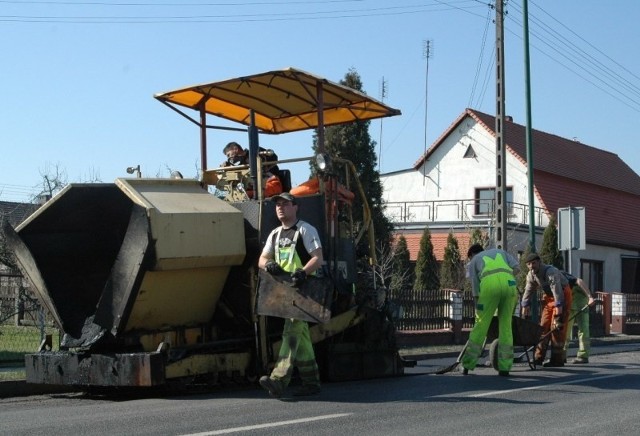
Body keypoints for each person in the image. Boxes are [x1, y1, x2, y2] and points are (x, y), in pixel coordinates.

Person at [257, 192, 323, 397]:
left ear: (296, 207)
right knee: (300, 335)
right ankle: (311, 382)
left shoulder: (305, 229)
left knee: (291, 330)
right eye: (278, 204)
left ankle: (279, 379)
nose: (280, 208)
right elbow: (261, 259)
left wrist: (303, 272)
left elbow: (318, 258)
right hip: (284, 292)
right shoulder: (275, 234)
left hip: (304, 291)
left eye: (285, 204)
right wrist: (268, 264)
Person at [461, 244, 520, 377]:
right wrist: (506, 278)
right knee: (506, 326)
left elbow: (475, 288)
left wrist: (478, 308)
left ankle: (467, 364)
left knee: (480, 326)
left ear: (471, 255)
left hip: (489, 288)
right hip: (510, 286)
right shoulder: (500, 251)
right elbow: (517, 268)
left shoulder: (474, 261)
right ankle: (505, 367)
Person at [521, 253, 573, 367]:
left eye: (533, 263)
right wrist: (525, 305)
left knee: (556, 329)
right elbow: (528, 291)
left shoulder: (551, 272)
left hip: (562, 295)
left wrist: (559, 313)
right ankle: (538, 358)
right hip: (549, 298)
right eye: (528, 264)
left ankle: (557, 359)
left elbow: (557, 292)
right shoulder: (531, 275)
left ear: (539, 262)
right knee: (543, 327)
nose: (531, 266)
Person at [562, 272, 595, 364]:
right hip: (568, 299)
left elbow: (579, 281)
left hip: (580, 298)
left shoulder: (560, 275)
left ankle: (583, 356)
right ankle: (561, 355)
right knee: (565, 329)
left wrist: (590, 297)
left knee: (583, 328)